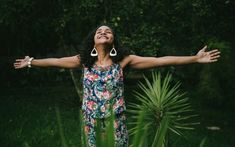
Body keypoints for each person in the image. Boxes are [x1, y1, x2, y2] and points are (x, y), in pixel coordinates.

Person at [14, 25, 220, 147]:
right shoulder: (84, 61)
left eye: (108, 31)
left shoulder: (125, 61)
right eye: (99, 31)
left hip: (116, 122)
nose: (103, 32)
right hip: (91, 121)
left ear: (113, 41)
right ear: (93, 40)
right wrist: (31, 62)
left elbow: (160, 60)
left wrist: (194, 58)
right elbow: (55, 61)